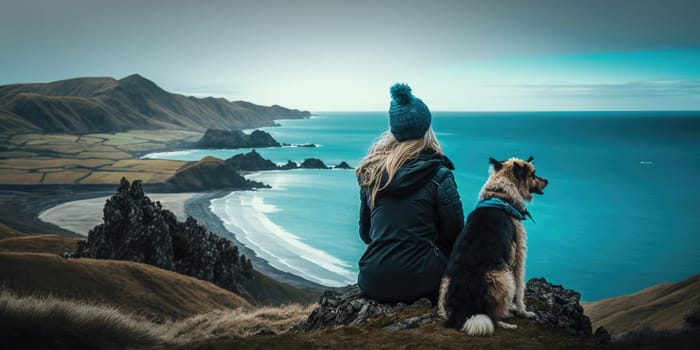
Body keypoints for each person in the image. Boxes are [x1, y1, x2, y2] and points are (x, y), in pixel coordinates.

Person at [355, 83, 464, 303]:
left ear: (394, 129)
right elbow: (454, 235)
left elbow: (366, 234)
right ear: (426, 128)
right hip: (424, 281)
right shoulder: (438, 175)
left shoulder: (372, 174)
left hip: (372, 280)